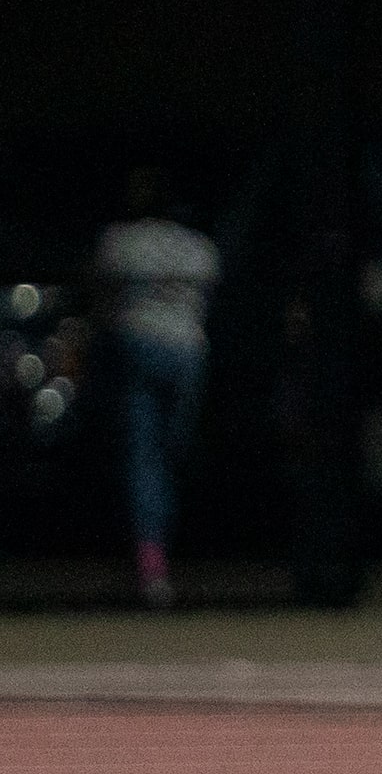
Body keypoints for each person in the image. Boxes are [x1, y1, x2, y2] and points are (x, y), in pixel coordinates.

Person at [93, 167, 220, 608]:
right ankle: (157, 559)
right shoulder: (199, 249)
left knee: (146, 460)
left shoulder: (119, 243)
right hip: (186, 353)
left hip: (140, 347)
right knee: (167, 457)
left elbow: (104, 308)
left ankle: (153, 563)